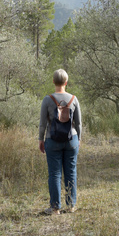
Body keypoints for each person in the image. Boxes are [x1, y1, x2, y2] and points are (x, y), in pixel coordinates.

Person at [38, 68, 82, 215]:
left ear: (53, 81)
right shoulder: (73, 99)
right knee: (71, 172)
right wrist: (79, 139)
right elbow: (79, 123)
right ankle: (71, 206)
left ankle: (55, 207)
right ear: (66, 82)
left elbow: (43, 124)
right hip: (72, 140)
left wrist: (40, 139)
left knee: (55, 174)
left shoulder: (47, 99)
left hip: (52, 140)